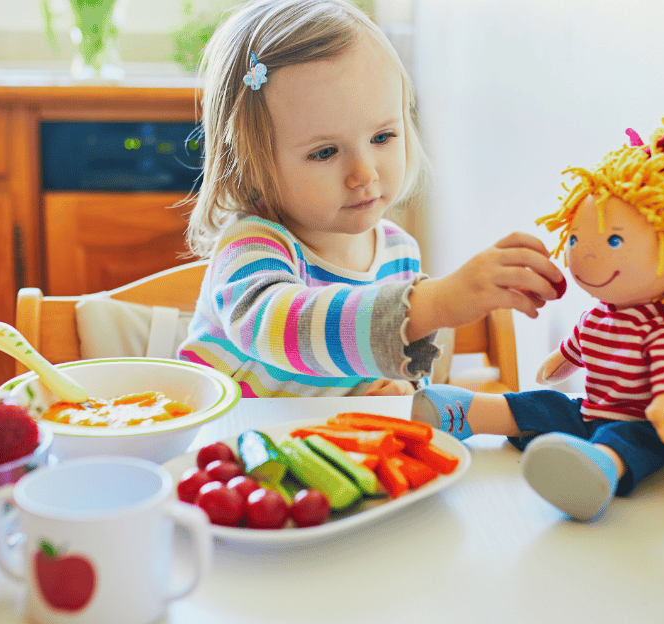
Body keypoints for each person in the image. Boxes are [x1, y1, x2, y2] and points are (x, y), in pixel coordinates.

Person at [179, 0, 563, 398]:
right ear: (252, 164)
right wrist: (432, 303)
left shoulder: (398, 251)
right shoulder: (251, 247)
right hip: (228, 450)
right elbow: (281, 329)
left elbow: (397, 354)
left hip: (330, 449)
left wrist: (401, 385)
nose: (364, 174)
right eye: (325, 152)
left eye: (382, 137)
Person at [413, 119, 664, 521]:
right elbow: (577, 348)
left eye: (614, 240)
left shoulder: (662, 329)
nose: (584, 255)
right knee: (547, 403)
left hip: (638, 423)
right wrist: (557, 363)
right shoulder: (597, 316)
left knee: (627, 440)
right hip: (588, 410)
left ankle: (596, 470)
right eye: (577, 239)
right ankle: (467, 412)